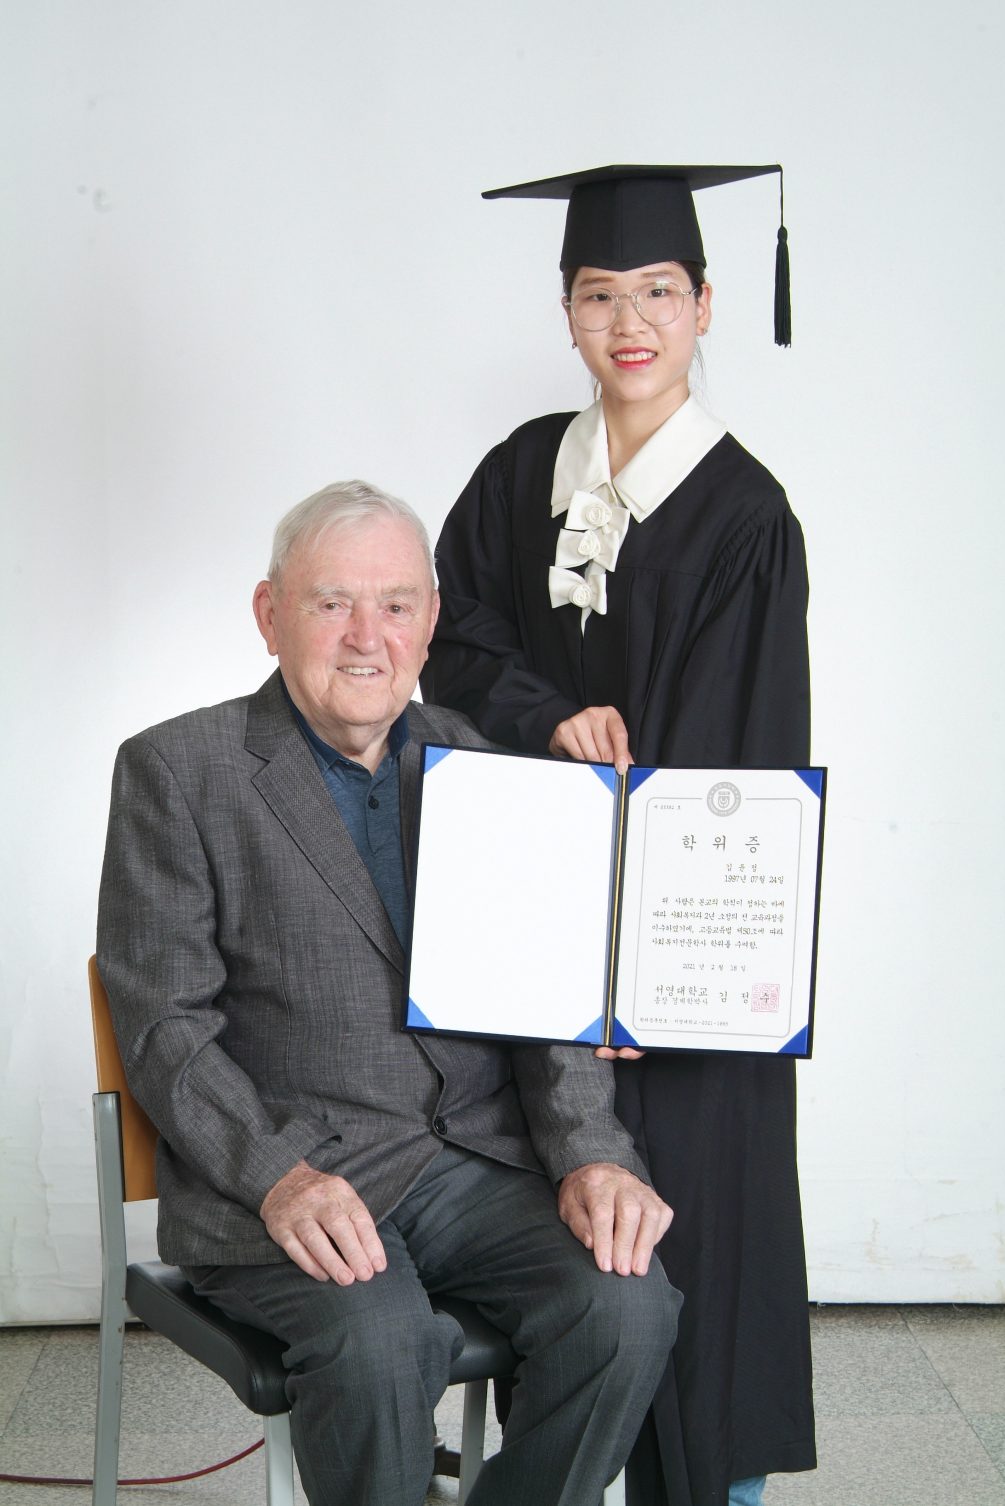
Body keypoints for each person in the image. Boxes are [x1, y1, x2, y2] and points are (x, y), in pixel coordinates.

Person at [97, 480, 679, 1506]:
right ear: (271, 614)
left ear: (432, 622)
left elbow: (540, 997)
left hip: (468, 1166)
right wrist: (279, 1175)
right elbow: (166, 1032)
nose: (369, 635)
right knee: (379, 1342)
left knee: (628, 1307)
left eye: (397, 604)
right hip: (285, 1177)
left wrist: (594, 1153)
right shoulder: (176, 773)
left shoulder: (483, 762)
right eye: (332, 604)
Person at [420, 166, 817, 1506]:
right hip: (536, 942)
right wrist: (552, 715)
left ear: (707, 305)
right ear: (568, 309)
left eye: (658, 291)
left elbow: (739, 763)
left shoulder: (747, 519)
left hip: (682, 973)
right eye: (600, 294)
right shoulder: (522, 471)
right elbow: (449, 638)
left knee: (696, 1257)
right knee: (572, 1259)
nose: (629, 320)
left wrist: (655, 972)